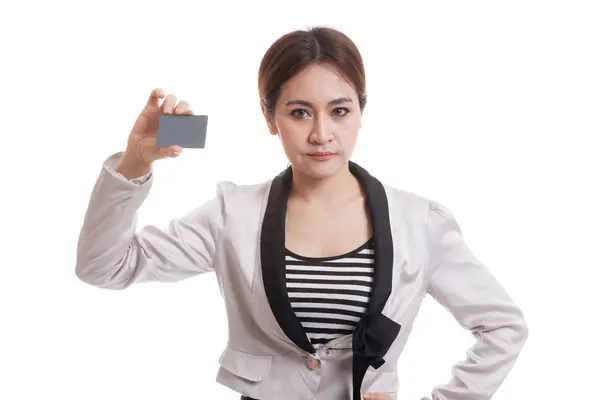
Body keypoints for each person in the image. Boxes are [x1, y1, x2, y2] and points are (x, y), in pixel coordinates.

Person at [75, 26, 528, 400]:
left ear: (360, 112)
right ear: (270, 118)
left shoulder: (419, 222)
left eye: (339, 110)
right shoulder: (232, 215)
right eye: (299, 112)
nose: (321, 134)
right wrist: (136, 162)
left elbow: (504, 327)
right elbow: (105, 268)